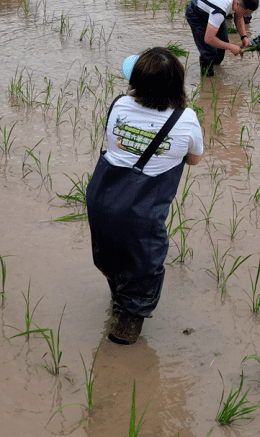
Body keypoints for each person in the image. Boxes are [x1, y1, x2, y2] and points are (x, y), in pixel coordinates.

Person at [86, 48, 204, 345]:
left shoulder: (119, 104)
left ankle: (117, 297)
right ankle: (124, 330)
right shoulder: (186, 120)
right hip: (141, 211)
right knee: (144, 266)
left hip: (101, 198)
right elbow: (193, 160)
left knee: (110, 255)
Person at [184, 0, 259, 77]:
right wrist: (231, 47)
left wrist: (244, 36)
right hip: (197, 13)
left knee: (223, 43)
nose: (246, 16)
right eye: (246, 13)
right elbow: (209, 39)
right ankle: (207, 80)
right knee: (209, 50)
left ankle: (215, 66)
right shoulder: (219, 10)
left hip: (210, 5)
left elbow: (238, 15)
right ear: (238, 4)